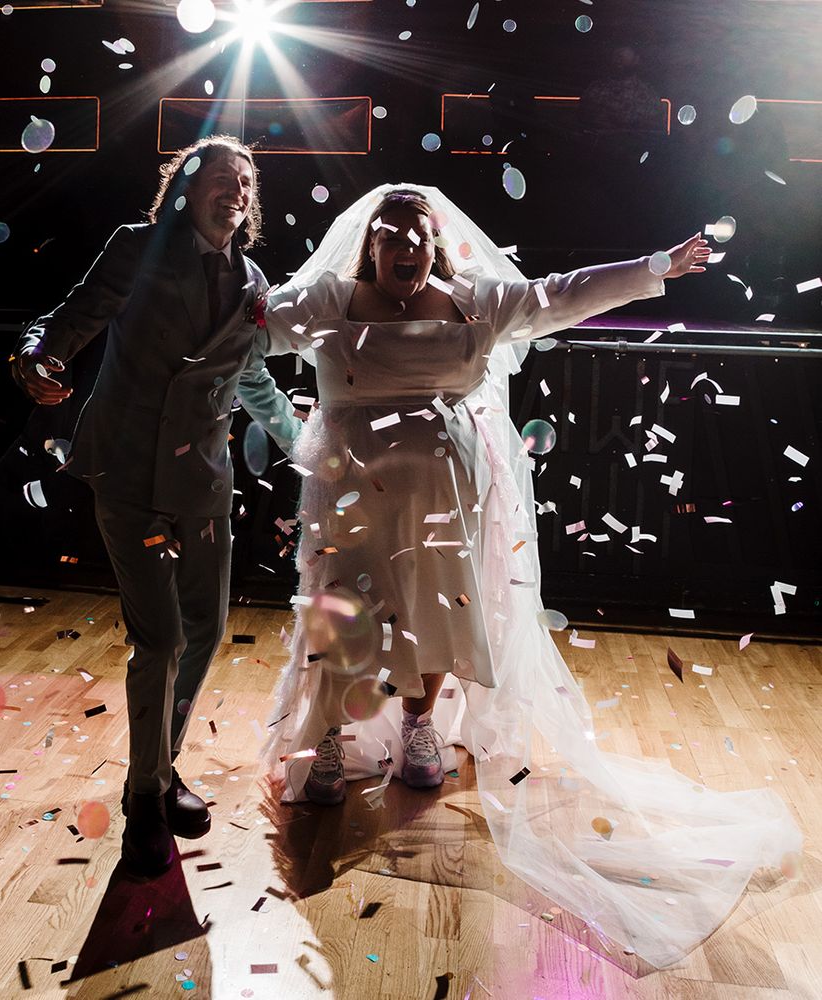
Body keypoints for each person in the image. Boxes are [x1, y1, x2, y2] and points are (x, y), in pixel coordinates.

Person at [261, 185, 802, 967]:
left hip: (447, 484)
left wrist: (656, 266)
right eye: (391, 236)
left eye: (418, 235)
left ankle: (419, 726)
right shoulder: (328, 299)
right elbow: (251, 328)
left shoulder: (474, 301)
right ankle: (335, 741)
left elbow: (561, 295)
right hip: (347, 483)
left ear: (434, 243)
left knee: (437, 609)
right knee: (343, 611)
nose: (405, 248)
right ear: (370, 245)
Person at [12, 135, 300, 879]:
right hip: (129, 474)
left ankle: (160, 769)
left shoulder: (255, 280)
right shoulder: (137, 248)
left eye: (246, 182)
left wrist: (305, 443)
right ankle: (145, 805)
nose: (235, 190)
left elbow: (251, 381)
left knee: (204, 634)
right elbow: (66, 321)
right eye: (219, 178)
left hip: (203, 481)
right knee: (162, 640)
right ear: (184, 187)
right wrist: (36, 357)